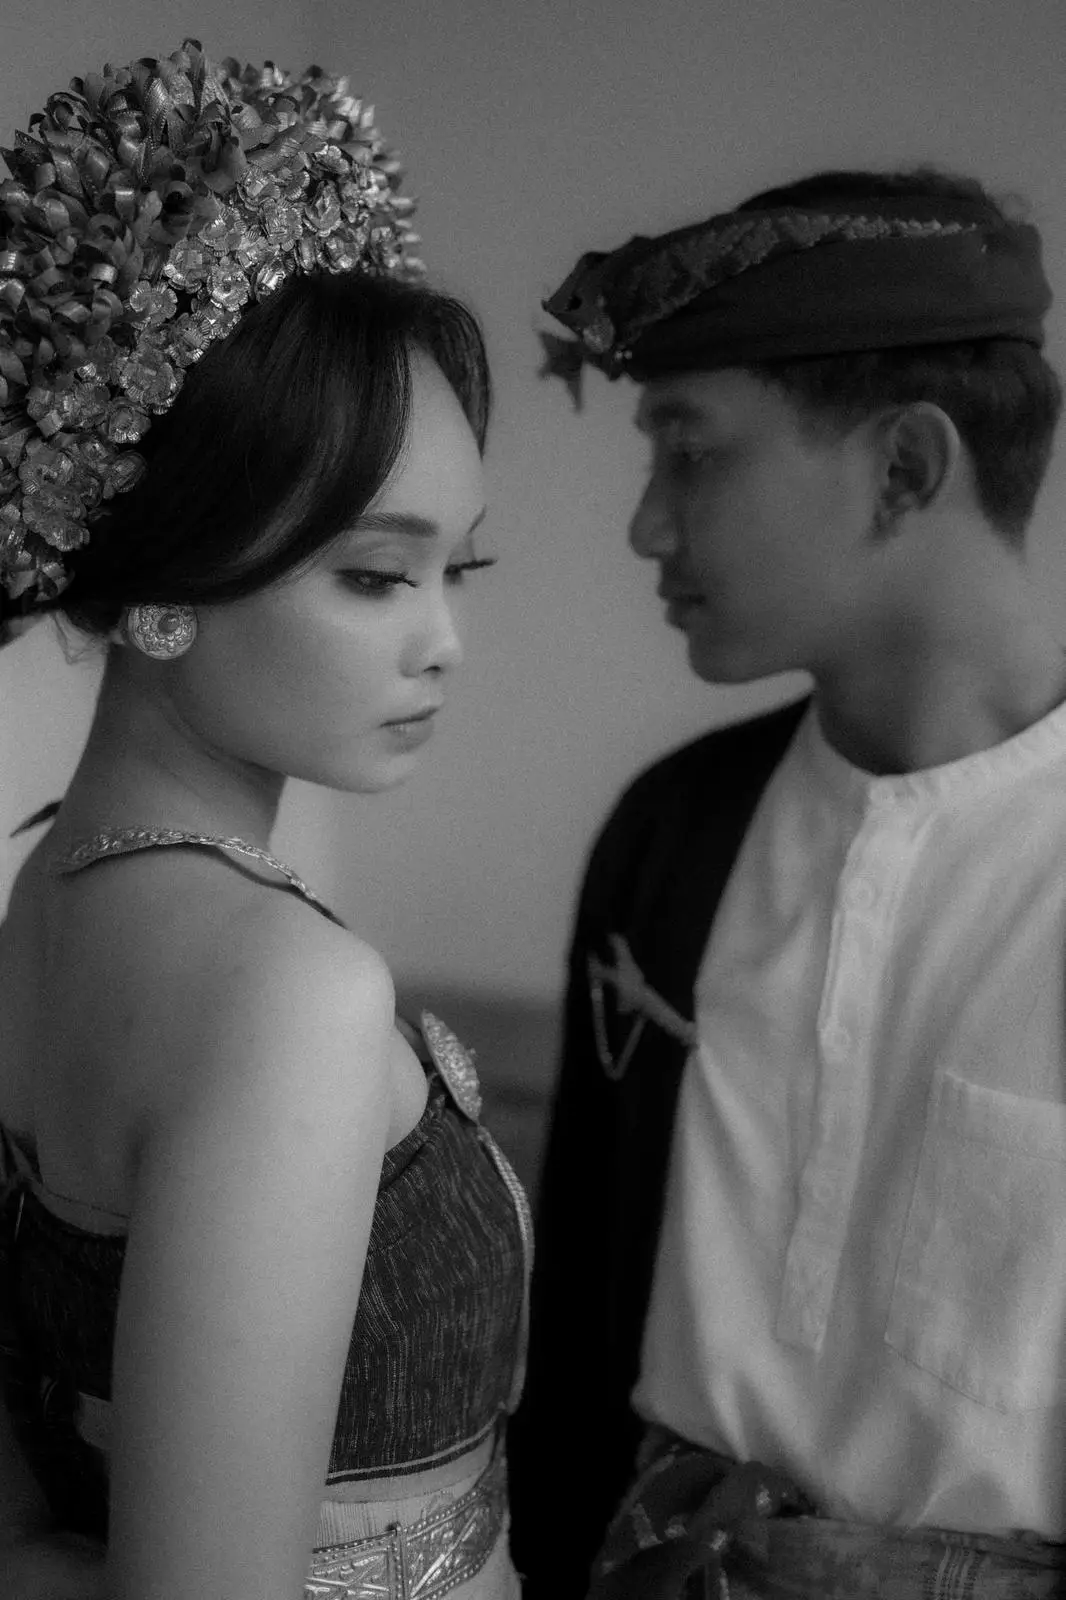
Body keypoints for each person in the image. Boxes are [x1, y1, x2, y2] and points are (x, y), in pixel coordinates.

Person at [0, 39, 530, 1600]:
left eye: (458, 570)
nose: (443, 641)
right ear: (162, 584)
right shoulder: (282, 986)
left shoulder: (50, 898)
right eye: (376, 575)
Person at [508, 167, 1066, 1598]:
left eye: (690, 454)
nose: (647, 526)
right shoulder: (669, 833)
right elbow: (574, 1351)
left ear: (904, 469)